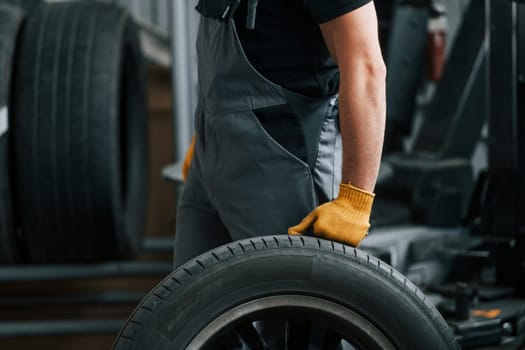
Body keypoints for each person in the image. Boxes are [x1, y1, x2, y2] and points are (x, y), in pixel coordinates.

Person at [174, 0, 386, 268]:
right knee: (191, 301)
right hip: (212, 166)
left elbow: (366, 68)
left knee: (289, 301)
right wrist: (211, 135)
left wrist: (356, 200)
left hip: (281, 167)